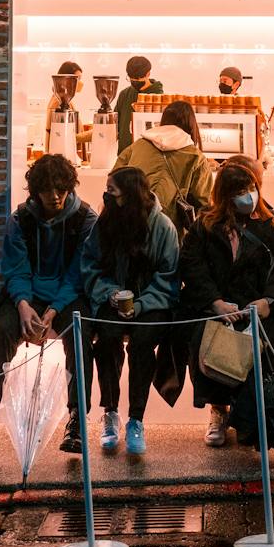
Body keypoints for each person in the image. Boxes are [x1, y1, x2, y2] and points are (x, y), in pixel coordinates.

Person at [0, 154, 96, 453]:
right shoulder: (21, 218)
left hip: (68, 295)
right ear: (36, 191)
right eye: (48, 190)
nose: (56, 196)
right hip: (28, 294)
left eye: (61, 189)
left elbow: (79, 273)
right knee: (3, 330)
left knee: (80, 334)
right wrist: (22, 304)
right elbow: (15, 268)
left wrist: (53, 310)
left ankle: (77, 421)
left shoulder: (86, 218)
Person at [177, 160, 274, 448]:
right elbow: (192, 266)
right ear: (225, 195)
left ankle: (250, 418)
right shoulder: (204, 226)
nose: (249, 196)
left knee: (268, 343)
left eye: (252, 188)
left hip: (257, 307)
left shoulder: (268, 225)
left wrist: (269, 301)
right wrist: (214, 302)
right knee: (206, 339)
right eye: (241, 190)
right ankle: (219, 409)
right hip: (217, 306)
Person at [72, 166, 180, 456]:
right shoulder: (105, 223)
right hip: (112, 300)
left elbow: (168, 276)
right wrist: (109, 294)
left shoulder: (162, 227)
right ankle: (110, 412)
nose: (107, 194)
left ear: (129, 193)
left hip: (151, 303)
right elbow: (90, 263)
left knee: (143, 344)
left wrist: (141, 305)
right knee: (106, 340)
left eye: (113, 189)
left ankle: (136, 418)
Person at [113, 99, 214, 233]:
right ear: (191, 125)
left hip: (131, 222)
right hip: (170, 229)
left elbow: (115, 178)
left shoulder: (138, 145)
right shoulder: (196, 157)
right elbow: (202, 202)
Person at [114, 56, 162, 153]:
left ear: (148, 74)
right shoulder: (124, 94)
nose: (134, 82)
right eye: (131, 79)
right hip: (124, 153)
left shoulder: (158, 97)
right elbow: (116, 122)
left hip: (148, 153)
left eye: (138, 80)